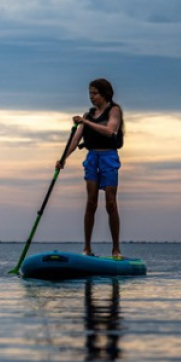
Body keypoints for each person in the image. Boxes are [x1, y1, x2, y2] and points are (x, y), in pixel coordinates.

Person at [57, 78, 125, 258]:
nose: (91, 97)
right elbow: (75, 139)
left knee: (111, 203)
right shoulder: (88, 116)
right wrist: (63, 158)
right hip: (92, 157)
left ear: (104, 94)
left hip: (109, 157)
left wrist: (85, 123)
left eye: (95, 94)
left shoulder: (114, 110)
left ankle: (116, 249)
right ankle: (87, 248)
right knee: (91, 203)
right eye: (90, 94)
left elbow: (110, 130)